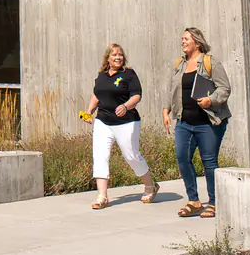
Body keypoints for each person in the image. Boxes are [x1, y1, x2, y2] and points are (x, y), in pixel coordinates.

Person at [165, 26, 233, 217]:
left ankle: (213, 202)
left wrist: (210, 100)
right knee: (182, 158)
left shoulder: (211, 63)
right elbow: (172, 89)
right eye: (182, 39)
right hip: (184, 122)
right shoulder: (180, 64)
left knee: (209, 161)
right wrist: (166, 110)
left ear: (197, 42)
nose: (183, 42)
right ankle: (193, 201)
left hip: (208, 122)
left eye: (186, 39)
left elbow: (225, 88)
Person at [88, 42, 158, 208]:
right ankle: (102, 196)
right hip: (103, 121)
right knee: (100, 155)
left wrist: (126, 106)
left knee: (131, 155)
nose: (118, 57)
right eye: (114, 55)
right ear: (108, 58)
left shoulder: (129, 74)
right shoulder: (102, 76)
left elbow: (137, 95)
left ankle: (150, 185)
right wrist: (89, 111)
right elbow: (96, 95)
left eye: (120, 54)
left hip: (126, 121)